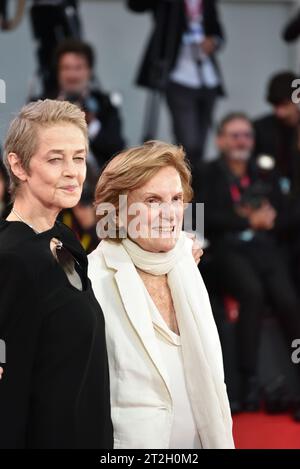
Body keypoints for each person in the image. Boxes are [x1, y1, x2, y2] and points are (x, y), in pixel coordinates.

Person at [88, 140, 234, 449]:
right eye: (153, 200)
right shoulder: (91, 279)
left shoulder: (186, 262)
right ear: (117, 209)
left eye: (177, 199)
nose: (170, 213)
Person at [0, 99, 113, 448]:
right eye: (55, 159)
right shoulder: (11, 259)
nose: (72, 172)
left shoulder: (62, 238)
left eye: (78, 157)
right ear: (18, 166)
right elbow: (8, 393)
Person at [195, 113, 300, 420]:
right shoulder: (207, 172)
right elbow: (202, 218)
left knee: (288, 301)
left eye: (247, 135)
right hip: (226, 251)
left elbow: (288, 213)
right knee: (251, 294)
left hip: (266, 249)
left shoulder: (265, 172)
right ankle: (246, 384)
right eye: (235, 135)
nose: (242, 141)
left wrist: (271, 220)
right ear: (220, 140)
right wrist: (245, 220)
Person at [127, 0, 225, 168]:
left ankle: (195, 184)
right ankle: (184, 180)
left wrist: (213, 41)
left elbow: (218, 31)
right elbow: (135, 5)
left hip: (206, 76)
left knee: (201, 144)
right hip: (177, 73)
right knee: (188, 142)